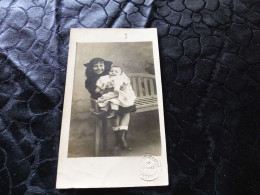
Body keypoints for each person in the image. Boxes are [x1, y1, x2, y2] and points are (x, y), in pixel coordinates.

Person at [84, 58, 136, 151]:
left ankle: (121, 138)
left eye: (101, 65)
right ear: (91, 68)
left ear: (105, 66)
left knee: (126, 109)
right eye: (95, 66)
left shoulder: (111, 73)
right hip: (102, 100)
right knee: (113, 112)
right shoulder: (90, 80)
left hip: (117, 97)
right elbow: (95, 93)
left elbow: (124, 80)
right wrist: (108, 90)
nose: (99, 68)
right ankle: (118, 137)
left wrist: (123, 86)